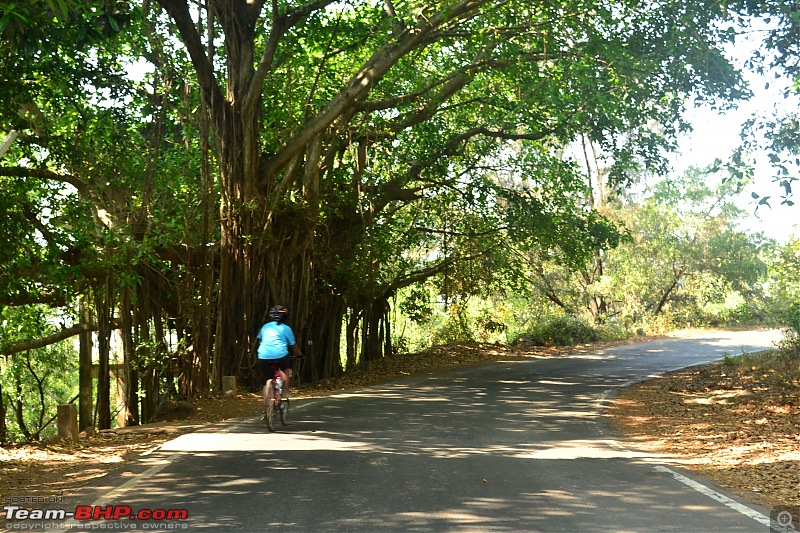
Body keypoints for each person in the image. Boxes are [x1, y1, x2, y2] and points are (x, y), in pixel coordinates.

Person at [256, 305, 303, 408]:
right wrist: (299, 355)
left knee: (266, 379)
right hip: (280, 355)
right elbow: (293, 346)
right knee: (286, 369)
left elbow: (260, 341)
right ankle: (286, 392)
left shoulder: (265, 327)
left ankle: (265, 406)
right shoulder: (286, 329)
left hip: (263, 356)